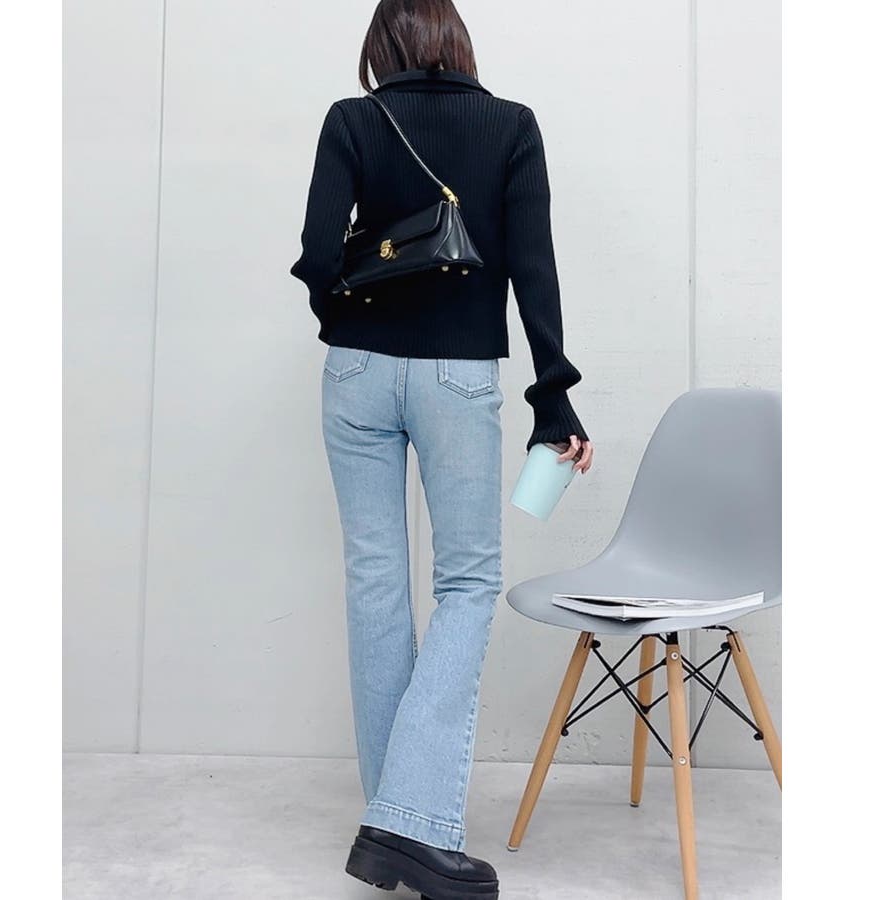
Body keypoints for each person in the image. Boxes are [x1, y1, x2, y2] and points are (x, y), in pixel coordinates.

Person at [290, 1, 593, 896]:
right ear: (458, 41)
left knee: (375, 580)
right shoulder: (511, 127)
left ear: (381, 47)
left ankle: (393, 818)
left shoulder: (353, 119)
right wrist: (552, 396)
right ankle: (409, 825)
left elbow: (316, 255)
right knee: (465, 584)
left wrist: (349, 317)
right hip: (459, 375)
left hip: (355, 372)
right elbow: (534, 267)